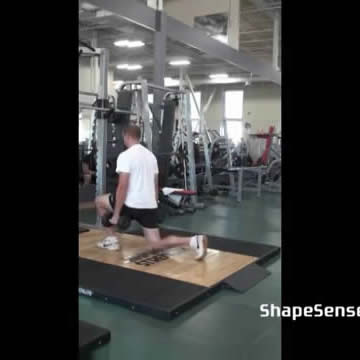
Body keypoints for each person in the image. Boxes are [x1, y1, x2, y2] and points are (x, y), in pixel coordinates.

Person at [95, 125, 208, 260]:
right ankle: (193, 240)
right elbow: (155, 185)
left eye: (123, 137)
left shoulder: (125, 155)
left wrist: (116, 214)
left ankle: (111, 240)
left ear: (127, 136)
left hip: (130, 203)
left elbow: (122, 187)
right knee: (156, 243)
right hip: (149, 205)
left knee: (99, 201)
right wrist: (154, 205)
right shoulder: (151, 156)